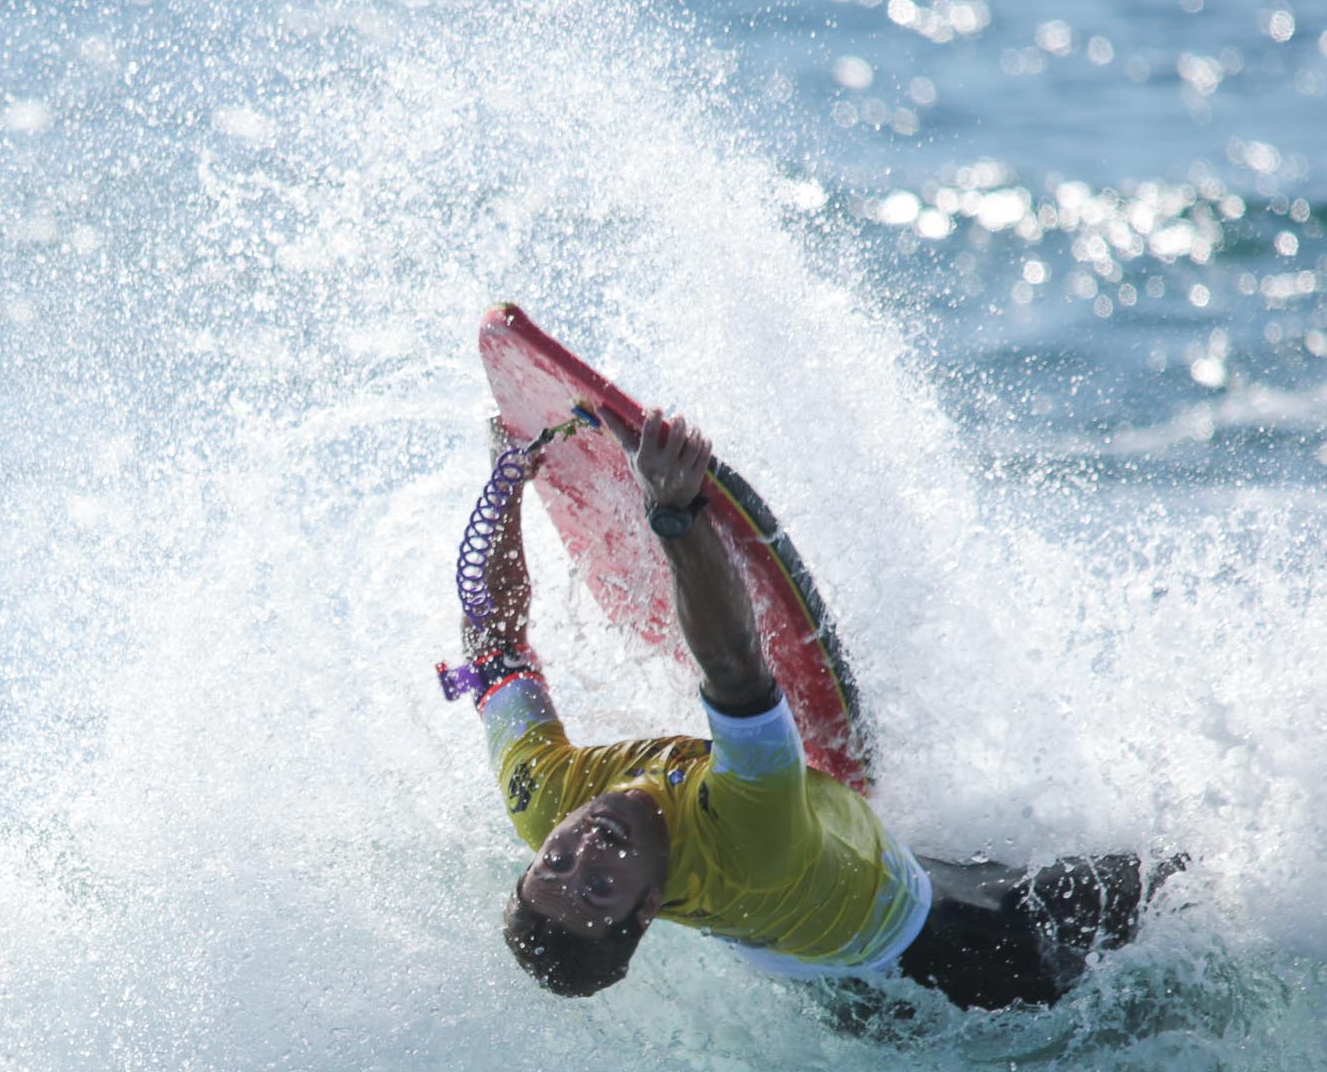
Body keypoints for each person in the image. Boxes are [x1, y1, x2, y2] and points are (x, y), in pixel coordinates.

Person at [456, 409, 1163, 1009]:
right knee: (1177, 901)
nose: (586, 851)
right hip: (950, 952)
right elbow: (736, 670)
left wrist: (508, 479)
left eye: (556, 863)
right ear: (647, 908)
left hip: (813, 936)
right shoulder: (747, 841)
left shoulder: (542, 796)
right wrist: (675, 514)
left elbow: (493, 646)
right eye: (601, 885)